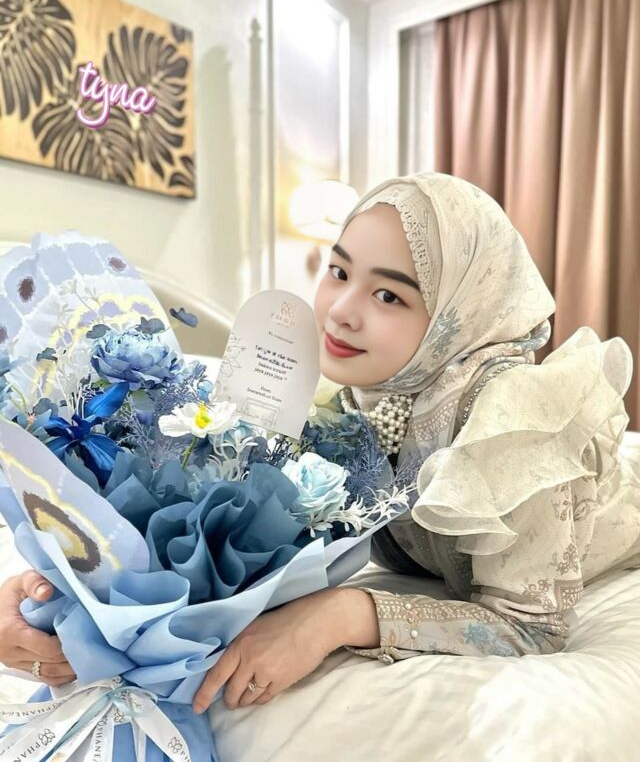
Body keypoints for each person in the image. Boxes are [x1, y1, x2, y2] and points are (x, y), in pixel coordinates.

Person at [2, 172, 639, 718]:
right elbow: (222, 529)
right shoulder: (351, 400)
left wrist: (336, 616)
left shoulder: (516, 421)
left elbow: (530, 624)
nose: (340, 311)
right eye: (338, 271)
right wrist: (67, 588)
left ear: (458, 315)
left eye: (388, 294)